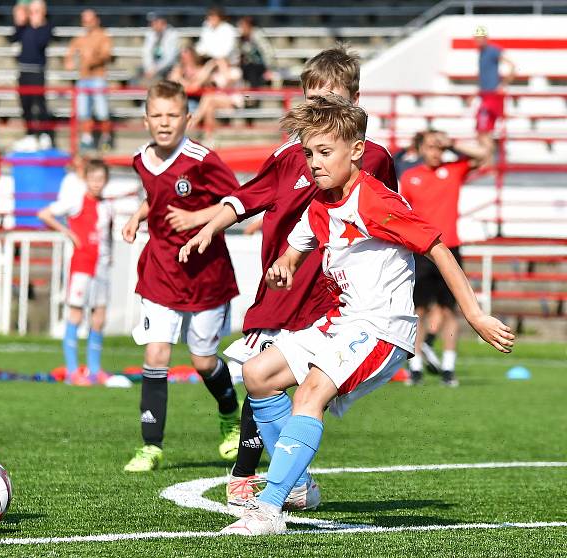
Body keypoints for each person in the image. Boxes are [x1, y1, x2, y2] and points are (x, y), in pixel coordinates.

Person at [185, 94, 514, 535]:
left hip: (383, 327)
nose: (314, 163)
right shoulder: (321, 204)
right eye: (308, 153)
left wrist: (474, 315)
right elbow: (296, 248)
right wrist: (283, 266)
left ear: (356, 151)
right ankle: (297, 483)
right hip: (342, 322)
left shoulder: (375, 201)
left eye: (324, 153)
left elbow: (436, 247)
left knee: (310, 394)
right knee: (258, 373)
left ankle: (268, 509)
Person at [180, 45, 398, 513]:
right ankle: (280, 479)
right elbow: (247, 198)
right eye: (313, 100)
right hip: (280, 288)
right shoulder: (287, 154)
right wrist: (211, 225)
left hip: (329, 293)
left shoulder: (371, 157)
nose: (320, 110)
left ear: (355, 100)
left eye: (332, 100)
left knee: (297, 387)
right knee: (259, 376)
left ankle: (264, 482)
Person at [121, 80, 241, 472]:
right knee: (156, 354)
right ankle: (151, 447)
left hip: (206, 274)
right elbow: (156, 196)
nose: (165, 122)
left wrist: (195, 218)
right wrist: (137, 217)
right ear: (146, 119)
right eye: (157, 115)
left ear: (187, 118)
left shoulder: (202, 159)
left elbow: (237, 202)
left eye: (173, 115)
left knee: (203, 361)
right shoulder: (141, 158)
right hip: (160, 271)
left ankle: (229, 415)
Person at [400, 130, 487, 387]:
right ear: (420, 149)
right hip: (422, 251)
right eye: (430, 146)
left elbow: (485, 155)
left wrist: (453, 143)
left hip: (451, 249)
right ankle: (415, 367)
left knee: (450, 311)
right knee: (418, 310)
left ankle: (448, 368)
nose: (435, 152)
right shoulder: (410, 177)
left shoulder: (455, 169)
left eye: (439, 147)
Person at [38, 159, 113, 386]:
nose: (96, 184)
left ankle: (94, 369)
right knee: (76, 315)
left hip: (102, 267)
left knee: (98, 318)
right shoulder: (76, 201)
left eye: (100, 179)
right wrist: (67, 232)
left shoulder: (108, 206)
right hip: (81, 266)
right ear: (86, 179)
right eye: (93, 179)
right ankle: (72, 372)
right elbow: (44, 214)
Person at [64, 9, 113, 151]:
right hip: (84, 78)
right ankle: (87, 139)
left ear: (96, 20)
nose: (87, 23)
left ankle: (105, 138)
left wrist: (93, 59)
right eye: (84, 20)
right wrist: (69, 62)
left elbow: (107, 55)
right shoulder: (79, 39)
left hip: (98, 77)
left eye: (89, 20)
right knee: (83, 111)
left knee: (102, 111)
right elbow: (69, 55)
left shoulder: (103, 36)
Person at [11, 0, 53, 147]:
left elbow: (41, 43)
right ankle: (29, 134)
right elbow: (14, 37)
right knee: (25, 104)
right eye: (31, 11)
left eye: (36, 11)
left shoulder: (46, 27)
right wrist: (19, 21)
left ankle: (45, 134)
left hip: (37, 71)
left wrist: (36, 25)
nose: (33, 14)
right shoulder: (24, 28)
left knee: (39, 104)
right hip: (23, 71)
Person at [474, 25, 515, 166]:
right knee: (483, 131)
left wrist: (503, 84)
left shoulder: (492, 51)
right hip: (485, 95)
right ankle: (488, 163)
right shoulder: (481, 52)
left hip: (492, 96)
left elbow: (511, 65)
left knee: (483, 130)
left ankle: (488, 163)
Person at [139, 12, 179, 84]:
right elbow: (146, 53)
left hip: (167, 67)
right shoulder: (150, 33)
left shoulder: (172, 34)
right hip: (152, 67)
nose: (153, 25)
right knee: (137, 74)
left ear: (163, 22)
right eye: (152, 22)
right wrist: (149, 68)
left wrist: (155, 69)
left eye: (155, 22)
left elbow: (169, 58)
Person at [237, 16, 275, 89]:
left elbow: (267, 52)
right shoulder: (242, 38)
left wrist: (269, 69)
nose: (240, 29)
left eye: (242, 26)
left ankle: (254, 95)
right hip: (249, 65)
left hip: (261, 65)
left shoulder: (257, 35)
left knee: (252, 71)